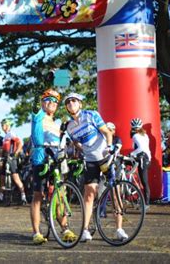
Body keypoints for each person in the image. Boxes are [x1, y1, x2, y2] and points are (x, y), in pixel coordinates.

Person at [63, 93, 128, 242]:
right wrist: (82, 150)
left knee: (114, 191)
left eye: (74, 101)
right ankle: (85, 230)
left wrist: (110, 146)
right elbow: (77, 143)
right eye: (68, 102)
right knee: (89, 194)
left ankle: (119, 229)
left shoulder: (92, 115)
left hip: (105, 156)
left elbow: (106, 132)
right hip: (90, 160)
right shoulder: (70, 126)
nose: (71, 104)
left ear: (80, 103)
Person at [29, 89, 75, 244]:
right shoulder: (38, 116)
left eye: (54, 101)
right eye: (47, 100)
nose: (51, 103)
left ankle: (65, 229)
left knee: (60, 194)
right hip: (40, 158)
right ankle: (36, 233)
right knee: (38, 196)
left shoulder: (57, 124)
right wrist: (44, 83)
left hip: (56, 158)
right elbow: (35, 102)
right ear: (42, 102)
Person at [0, 118, 27, 204]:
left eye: (2, 125)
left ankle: (23, 196)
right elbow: (3, 149)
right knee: (2, 178)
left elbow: (20, 143)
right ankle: (1, 196)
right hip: (5, 158)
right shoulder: (5, 137)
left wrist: (15, 154)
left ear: (7, 125)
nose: (1, 126)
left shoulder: (11, 133)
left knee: (16, 178)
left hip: (12, 158)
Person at [129, 118, 151, 208]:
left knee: (144, 181)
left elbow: (141, 148)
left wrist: (131, 153)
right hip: (146, 159)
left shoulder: (135, 136)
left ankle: (146, 203)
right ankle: (143, 201)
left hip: (142, 159)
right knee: (144, 181)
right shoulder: (145, 135)